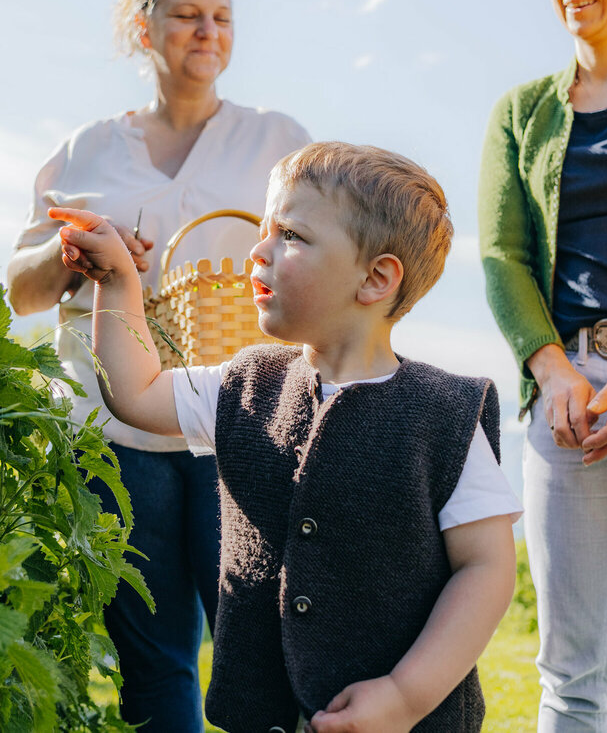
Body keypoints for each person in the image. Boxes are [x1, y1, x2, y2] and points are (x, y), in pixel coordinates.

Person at [50, 140, 520, 733]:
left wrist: (404, 697)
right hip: (263, 715)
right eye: (266, 229)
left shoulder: (445, 414)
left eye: (290, 235)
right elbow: (135, 392)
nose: (258, 250)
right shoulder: (243, 384)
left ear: (375, 279)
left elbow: (486, 569)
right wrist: (118, 281)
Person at [7, 0, 310, 732]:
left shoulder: (276, 139)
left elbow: (319, 254)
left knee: (261, 654)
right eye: (186, 14)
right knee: (155, 662)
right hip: (117, 433)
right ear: (143, 27)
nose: (207, 30)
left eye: (222, 16)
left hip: (240, 427)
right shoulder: (87, 151)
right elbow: (21, 289)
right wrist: (74, 253)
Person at [478, 0, 607, 731]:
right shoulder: (521, 114)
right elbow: (503, 254)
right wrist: (552, 374)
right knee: (574, 674)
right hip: (571, 391)